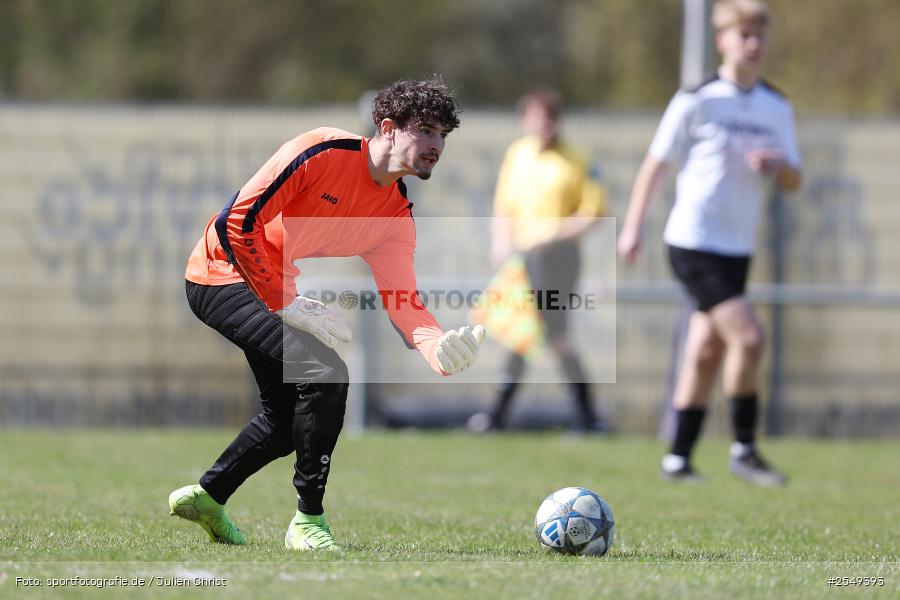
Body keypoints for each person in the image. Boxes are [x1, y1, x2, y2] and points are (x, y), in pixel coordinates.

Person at [168, 77, 485, 550]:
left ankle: (208, 497)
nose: (436, 144)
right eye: (426, 130)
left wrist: (435, 346)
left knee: (287, 419)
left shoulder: (395, 216)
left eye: (443, 135)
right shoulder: (321, 151)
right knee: (325, 373)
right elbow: (240, 222)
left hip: (272, 290)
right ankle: (308, 521)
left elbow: (404, 300)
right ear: (388, 127)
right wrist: (284, 301)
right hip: (218, 273)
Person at [618, 0, 802, 486]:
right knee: (750, 338)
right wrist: (632, 226)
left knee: (704, 352)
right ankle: (745, 449)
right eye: (744, 34)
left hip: (737, 248)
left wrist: (778, 166)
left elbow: (794, 180)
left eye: (760, 34)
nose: (754, 43)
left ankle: (677, 459)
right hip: (693, 242)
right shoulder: (696, 98)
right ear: (723, 40)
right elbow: (656, 163)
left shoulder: (776, 106)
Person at [469, 88, 607, 433]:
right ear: (524, 120)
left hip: (559, 259)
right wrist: (500, 241)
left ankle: (503, 415)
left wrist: (552, 233)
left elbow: (594, 214)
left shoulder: (577, 159)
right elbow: (504, 206)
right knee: (528, 332)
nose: (543, 123)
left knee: (546, 333)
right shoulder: (517, 154)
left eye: (549, 116)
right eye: (536, 116)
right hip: (524, 259)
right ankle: (585, 417)